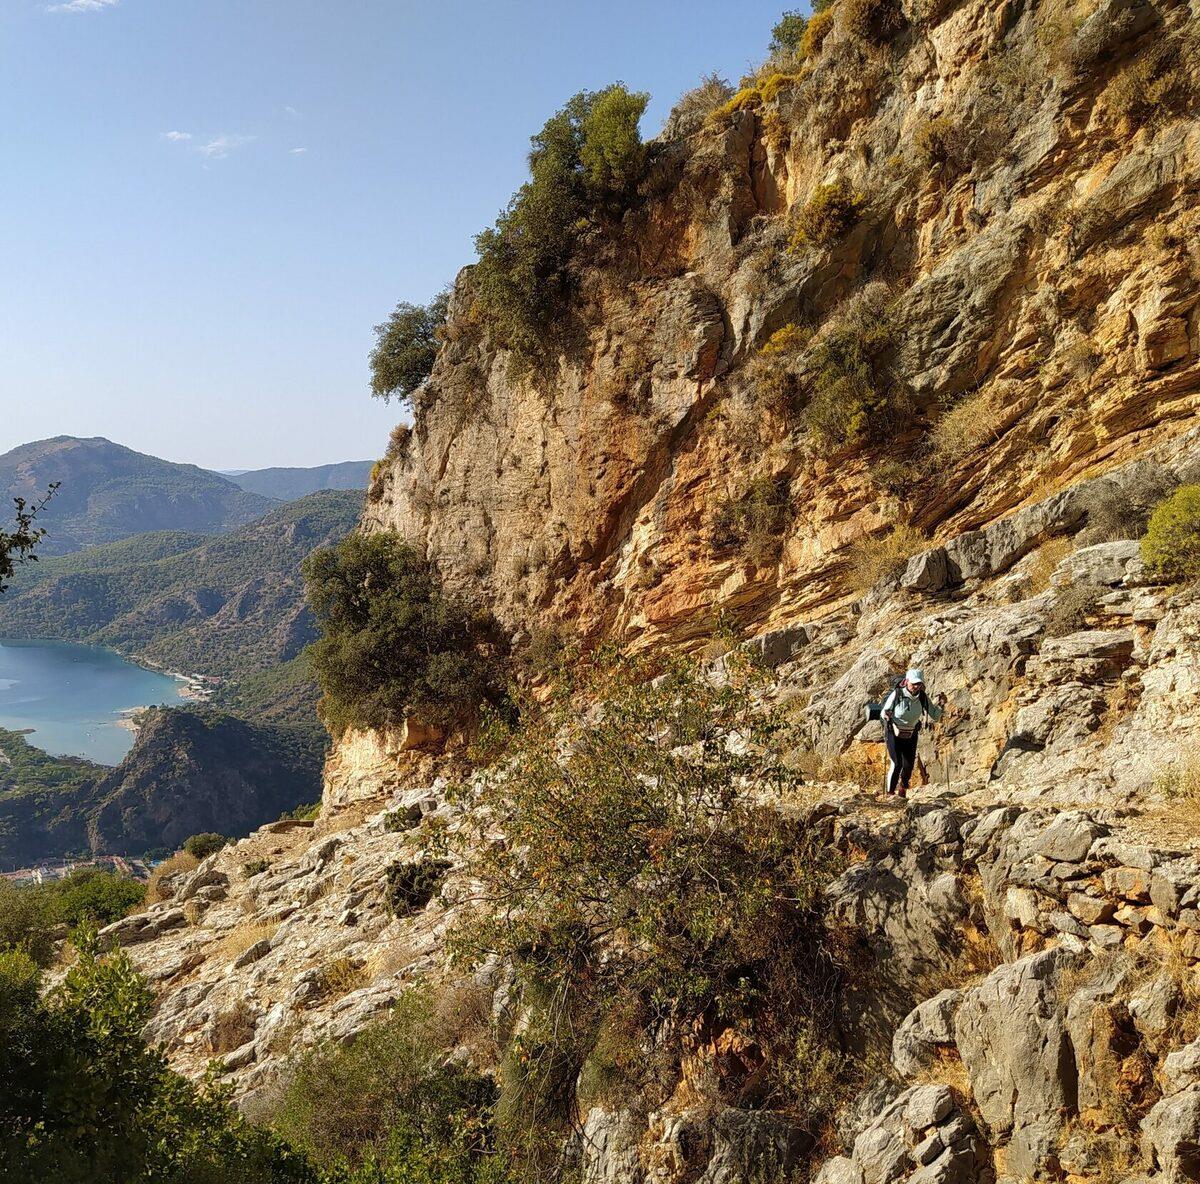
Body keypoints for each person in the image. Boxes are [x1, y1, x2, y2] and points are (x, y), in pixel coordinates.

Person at [880, 667, 945, 798]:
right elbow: (884, 712)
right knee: (897, 763)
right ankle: (890, 793)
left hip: (911, 733)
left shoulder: (922, 697)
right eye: (913, 683)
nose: (916, 686)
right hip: (893, 731)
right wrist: (886, 714)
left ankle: (903, 788)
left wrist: (942, 706)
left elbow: (935, 715)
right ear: (907, 681)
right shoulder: (897, 694)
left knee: (908, 765)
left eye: (918, 683)